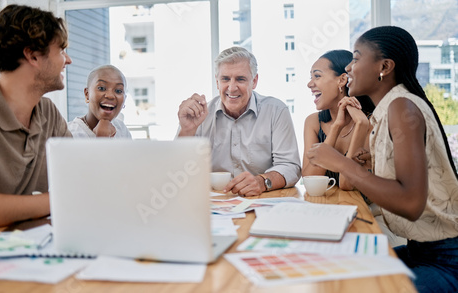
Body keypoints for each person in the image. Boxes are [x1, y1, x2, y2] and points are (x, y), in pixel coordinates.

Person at [307, 26, 458, 292]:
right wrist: (370, 169)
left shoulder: (402, 106)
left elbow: (410, 203)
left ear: (384, 67)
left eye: (356, 58)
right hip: (420, 251)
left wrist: (342, 163)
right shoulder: (387, 111)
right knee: (333, 272)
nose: (350, 68)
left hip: (446, 259)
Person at [0, 5, 72, 231]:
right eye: (61, 50)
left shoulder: (49, 113)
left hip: (26, 248)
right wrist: (60, 200)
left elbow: (82, 180)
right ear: (32, 55)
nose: (67, 60)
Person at [177, 46, 301, 197]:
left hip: (262, 200)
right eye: (225, 79)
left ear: (254, 81)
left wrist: (263, 182)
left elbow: (290, 166)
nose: (232, 87)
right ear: (217, 82)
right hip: (213, 204)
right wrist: (187, 130)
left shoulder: (276, 111)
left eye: (240, 79)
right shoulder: (199, 116)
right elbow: (178, 173)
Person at [303, 50, 374, 190]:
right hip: (325, 206)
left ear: (342, 80)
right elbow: (309, 180)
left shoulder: (371, 122)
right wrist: (336, 128)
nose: (309, 84)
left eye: (317, 76)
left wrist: (361, 125)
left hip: (361, 208)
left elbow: (347, 185)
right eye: (311, 77)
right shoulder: (313, 122)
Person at [68, 65, 131, 138]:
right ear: (87, 94)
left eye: (118, 91)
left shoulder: (122, 130)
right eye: (101, 88)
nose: (110, 96)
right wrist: (102, 138)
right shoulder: (69, 133)